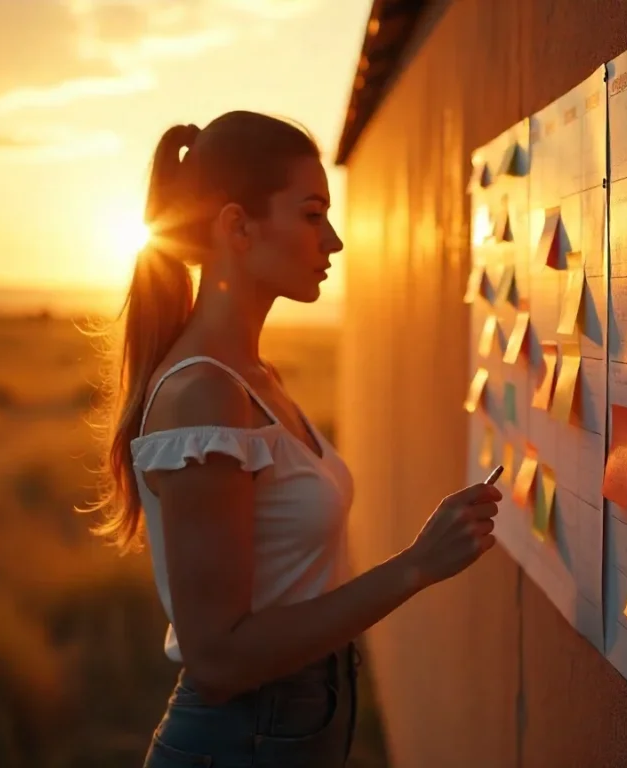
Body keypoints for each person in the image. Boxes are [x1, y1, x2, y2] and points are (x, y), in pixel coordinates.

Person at [86, 111, 503, 768]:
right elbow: (219, 659)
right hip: (240, 742)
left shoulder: (254, 378)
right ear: (236, 227)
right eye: (312, 214)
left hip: (295, 726)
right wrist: (417, 565)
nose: (334, 240)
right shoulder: (206, 394)